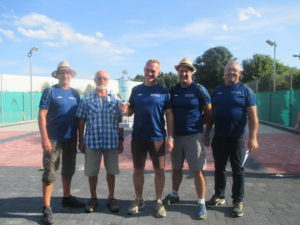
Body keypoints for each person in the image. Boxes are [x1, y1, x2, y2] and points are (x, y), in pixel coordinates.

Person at [205, 61, 259, 217]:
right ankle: (219, 196)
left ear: (240, 73)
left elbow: (253, 117)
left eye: (234, 70)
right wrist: (207, 134)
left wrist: (253, 138)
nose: (231, 73)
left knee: (238, 170)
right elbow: (211, 116)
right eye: (228, 70)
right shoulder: (217, 91)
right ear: (224, 73)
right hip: (219, 137)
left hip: (237, 139)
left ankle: (237, 201)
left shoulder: (246, 91)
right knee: (219, 169)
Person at [122, 59, 174, 218]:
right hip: (138, 136)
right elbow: (130, 112)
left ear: (158, 73)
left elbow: (169, 115)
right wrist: (126, 109)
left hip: (157, 137)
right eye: (148, 70)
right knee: (138, 170)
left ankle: (158, 201)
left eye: (154, 71)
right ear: (144, 70)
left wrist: (171, 137)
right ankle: (139, 199)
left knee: (159, 170)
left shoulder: (164, 91)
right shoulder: (136, 90)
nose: (150, 73)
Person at [162, 58, 212, 220]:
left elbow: (209, 112)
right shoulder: (173, 90)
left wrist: (200, 127)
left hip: (194, 136)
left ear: (191, 72)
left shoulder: (199, 89)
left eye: (187, 70)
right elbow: (168, 112)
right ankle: (175, 194)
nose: (183, 73)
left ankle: (201, 202)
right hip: (176, 136)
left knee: (197, 170)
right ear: (178, 72)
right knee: (176, 168)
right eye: (181, 70)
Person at [38, 61, 84, 225]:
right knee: (50, 173)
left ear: (71, 76)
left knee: (69, 170)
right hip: (53, 140)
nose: (65, 75)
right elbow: (42, 114)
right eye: (62, 73)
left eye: (68, 73)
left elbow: (79, 119)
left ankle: (66, 197)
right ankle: (46, 207)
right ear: (57, 75)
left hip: (70, 139)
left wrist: (80, 138)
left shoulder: (75, 93)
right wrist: (44, 137)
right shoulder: (50, 91)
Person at [76, 70, 124, 213]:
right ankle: (93, 198)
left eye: (104, 78)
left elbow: (122, 121)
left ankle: (111, 197)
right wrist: (81, 140)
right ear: (94, 80)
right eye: (99, 78)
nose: (102, 80)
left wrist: (121, 139)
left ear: (108, 80)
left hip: (111, 142)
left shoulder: (116, 100)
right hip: (92, 141)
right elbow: (81, 120)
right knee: (92, 172)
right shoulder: (86, 99)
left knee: (111, 171)